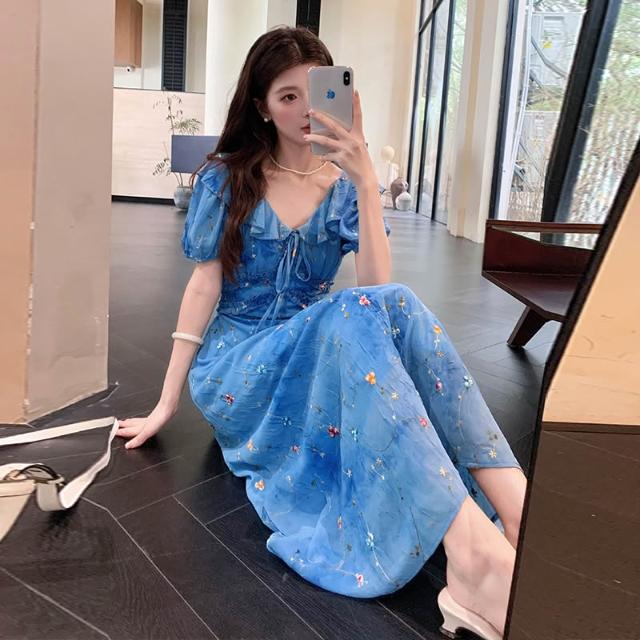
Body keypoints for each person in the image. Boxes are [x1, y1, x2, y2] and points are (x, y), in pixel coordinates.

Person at [116, 27, 527, 639]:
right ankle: (473, 555)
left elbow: (378, 294)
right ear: (261, 106)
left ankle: (519, 512)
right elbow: (203, 287)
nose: (305, 110)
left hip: (324, 349)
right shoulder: (226, 179)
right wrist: (166, 403)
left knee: (388, 304)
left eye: (316, 93)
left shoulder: (342, 187)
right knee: (351, 313)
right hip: (240, 365)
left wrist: (364, 181)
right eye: (287, 97)